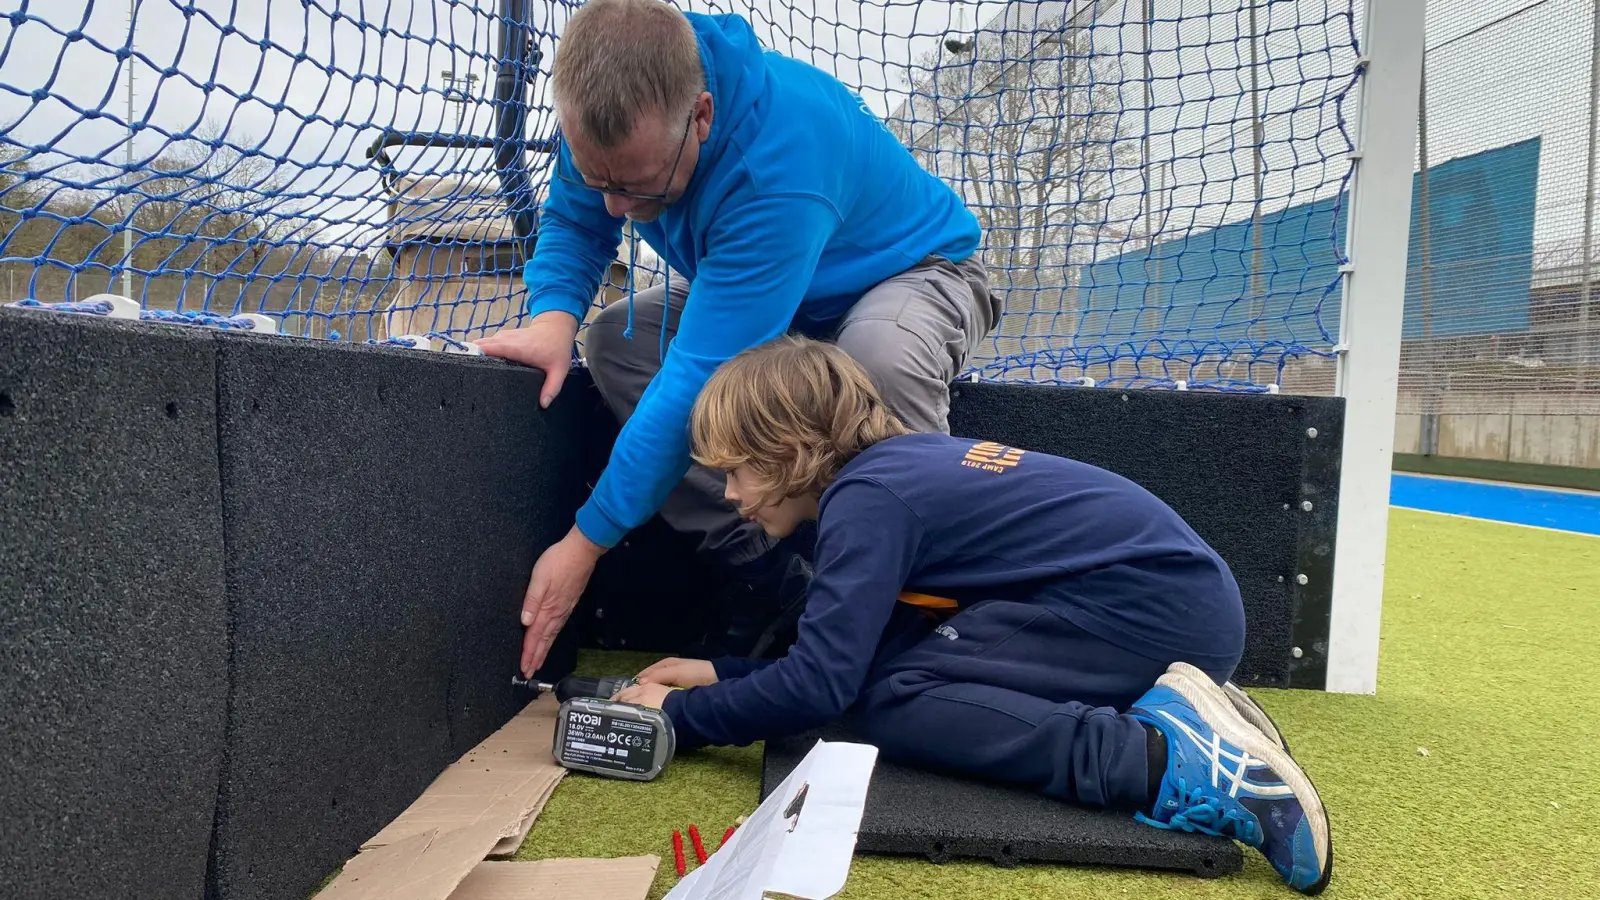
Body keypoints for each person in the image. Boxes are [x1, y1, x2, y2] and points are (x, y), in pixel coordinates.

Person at [615, 336, 1333, 895]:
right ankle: (1188, 715)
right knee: (893, 681)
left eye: (737, 470)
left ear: (790, 451)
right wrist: (724, 672)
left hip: (1147, 608)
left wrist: (681, 720)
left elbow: (828, 686)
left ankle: (1169, 761)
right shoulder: (897, 471)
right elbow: (854, 659)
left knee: (894, 701)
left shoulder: (868, 501)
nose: (733, 495)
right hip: (1168, 604)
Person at [476, 0, 998, 677]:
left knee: (876, 362)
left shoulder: (779, 163)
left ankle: (924, 622)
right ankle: (771, 577)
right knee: (616, 344)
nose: (616, 207)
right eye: (598, 178)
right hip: (773, 292)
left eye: (636, 186)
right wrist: (553, 320)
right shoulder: (611, 115)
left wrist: (587, 539)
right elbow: (580, 224)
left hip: (913, 272)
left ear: (701, 116)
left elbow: (697, 381)